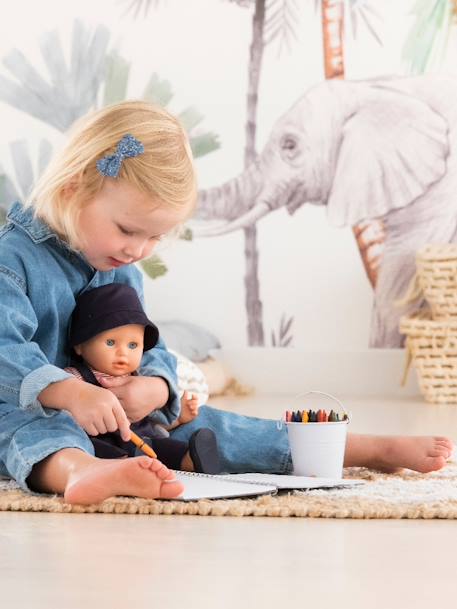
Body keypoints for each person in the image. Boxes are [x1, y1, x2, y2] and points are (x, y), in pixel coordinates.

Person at [0, 101, 453, 507]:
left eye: (155, 237)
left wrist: (155, 388)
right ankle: (82, 471)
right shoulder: (13, 260)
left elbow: (147, 343)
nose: (138, 249)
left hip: (115, 418)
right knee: (36, 428)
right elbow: (6, 350)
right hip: (27, 408)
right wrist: (70, 393)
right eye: (127, 229)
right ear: (71, 191)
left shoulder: (118, 263)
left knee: (215, 428)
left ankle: (358, 449)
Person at [64, 282, 219, 474]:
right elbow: (62, 410)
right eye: (111, 342)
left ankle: (191, 460)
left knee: (164, 446)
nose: (123, 353)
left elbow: (151, 419)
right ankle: (121, 470)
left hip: (142, 441)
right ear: (80, 345)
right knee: (94, 450)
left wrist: (178, 418)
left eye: (133, 345)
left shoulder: (138, 381)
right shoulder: (76, 378)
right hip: (100, 441)